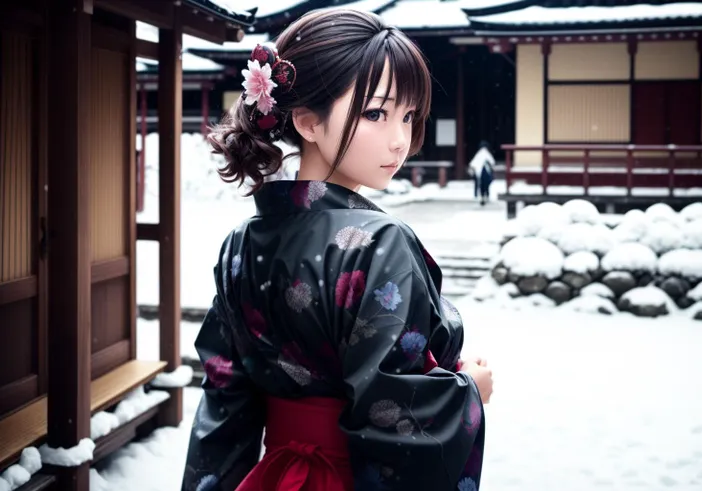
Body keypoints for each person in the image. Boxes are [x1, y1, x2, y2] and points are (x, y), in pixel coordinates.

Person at [181, 8, 493, 491]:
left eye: (408, 116)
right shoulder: (380, 243)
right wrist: (467, 390)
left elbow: (225, 406)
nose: (400, 140)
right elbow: (396, 418)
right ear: (306, 121)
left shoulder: (240, 242)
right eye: (376, 113)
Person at [468, 141, 495, 206]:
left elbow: (473, 164)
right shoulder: (487, 154)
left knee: (479, 185)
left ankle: (478, 195)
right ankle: (486, 195)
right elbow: (492, 162)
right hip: (486, 173)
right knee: (486, 185)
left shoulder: (479, 154)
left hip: (479, 173)